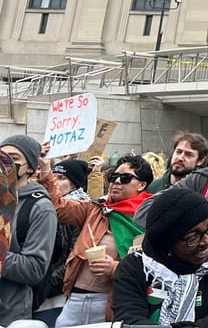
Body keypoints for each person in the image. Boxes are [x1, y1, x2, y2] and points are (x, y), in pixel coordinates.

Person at [38, 152, 154, 326]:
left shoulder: (151, 216)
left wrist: (116, 268)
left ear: (142, 184)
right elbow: (58, 206)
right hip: (74, 298)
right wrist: (46, 169)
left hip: (112, 303)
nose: (116, 181)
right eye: (114, 176)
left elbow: (154, 265)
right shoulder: (96, 208)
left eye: (125, 178)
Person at [112, 187, 208, 327]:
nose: (207, 241)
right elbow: (130, 320)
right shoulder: (134, 268)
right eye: (193, 237)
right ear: (167, 244)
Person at [0, 135, 56, 327]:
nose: (5, 163)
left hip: (9, 315)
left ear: (31, 168)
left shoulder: (40, 207)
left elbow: (35, 268)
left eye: (14, 159)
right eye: (1, 157)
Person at [35, 160, 91, 327]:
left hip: (58, 295)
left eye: (62, 178)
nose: (56, 182)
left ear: (75, 183)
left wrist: (43, 287)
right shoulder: (44, 205)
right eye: (55, 177)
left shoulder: (81, 212)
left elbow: (72, 259)